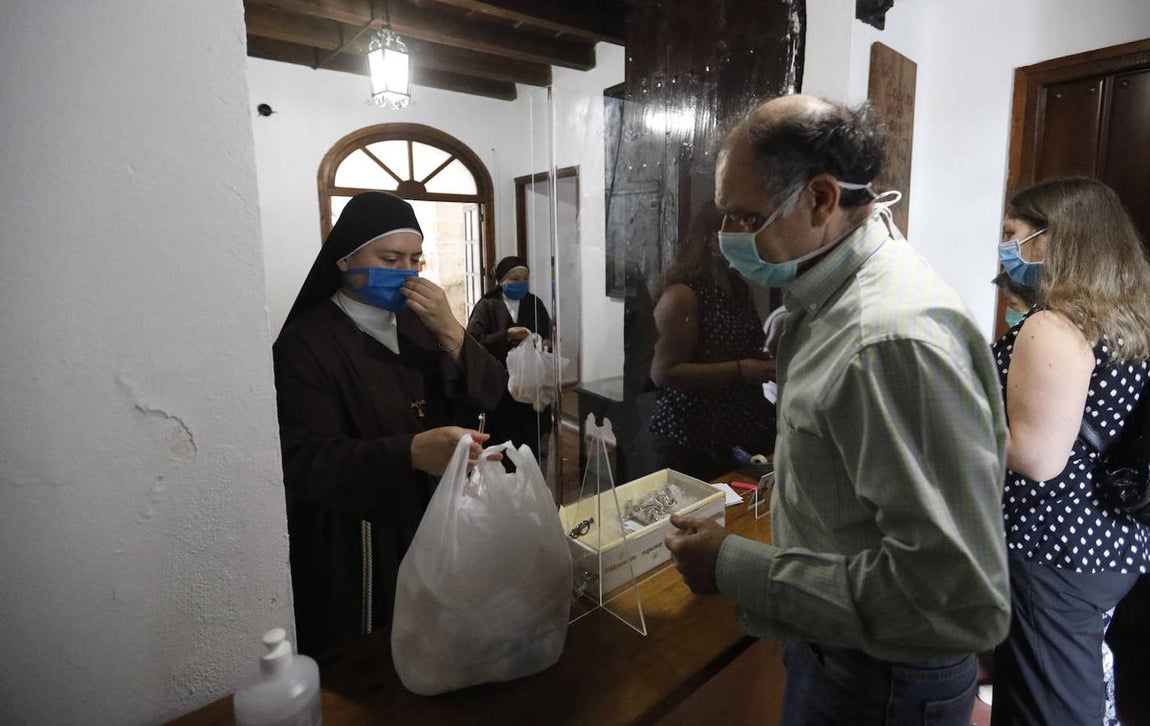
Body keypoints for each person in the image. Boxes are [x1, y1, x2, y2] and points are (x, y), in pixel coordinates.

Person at [663, 94, 1010, 726]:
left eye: (745, 216)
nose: (729, 236)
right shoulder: (826, 295)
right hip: (835, 652)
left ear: (822, 199)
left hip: (882, 681)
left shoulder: (886, 340)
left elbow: (952, 599)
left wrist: (733, 565)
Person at [273, 191, 507, 657]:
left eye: (415, 259)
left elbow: (490, 393)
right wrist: (411, 452)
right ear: (345, 259)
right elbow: (303, 457)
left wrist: (451, 331)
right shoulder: (307, 342)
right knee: (374, 652)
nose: (405, 271)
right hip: (358, 534)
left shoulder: (418, 323)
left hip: (431, 513)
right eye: (390, 258)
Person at [989, 177, 1150, 725]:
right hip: (1105, 537)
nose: (1004, 247)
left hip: (1053, 544)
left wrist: (952, 417)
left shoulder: (1053, 326)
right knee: (1068, 687)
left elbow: (1037, 458)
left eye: (1012, 233)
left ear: (1052, 238)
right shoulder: (1123, 321)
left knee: (1049, 707)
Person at [647, 201, 776, 481]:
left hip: (733, 433)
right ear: (711, 239)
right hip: (689, 437)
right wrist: (741, 369)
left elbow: (745, 345)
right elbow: (663, 373)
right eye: (739, 234)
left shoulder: (738, 288)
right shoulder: (682, 295)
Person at [465, 255, 553, 462]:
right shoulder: (487, 305)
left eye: (525, 278)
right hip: (499, 387)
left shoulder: (534, 303)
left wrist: (546, 342)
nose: (521, 283)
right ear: (502, 280)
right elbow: (474, 341)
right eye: (515, 279)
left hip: (529, 386)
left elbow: (546, 331)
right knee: (503, 441)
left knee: (530, 443)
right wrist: (506, 336)